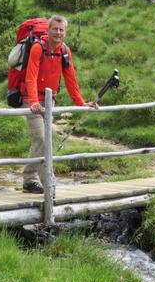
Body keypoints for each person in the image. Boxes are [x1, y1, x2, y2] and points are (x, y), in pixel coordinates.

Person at [21, 15, 98, 193]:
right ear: (48, 30)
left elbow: (71, 78)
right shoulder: (37, 48)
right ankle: (45, 183)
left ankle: (30, 179)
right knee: (41, 137)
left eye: (61, 29)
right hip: (31, 99)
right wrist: (32, 101)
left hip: (50, 101)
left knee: (44, 140)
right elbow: (30, 76)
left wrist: (81, 103)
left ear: (65, 32)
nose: (58, 32)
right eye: (55, 29)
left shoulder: (64, 51)